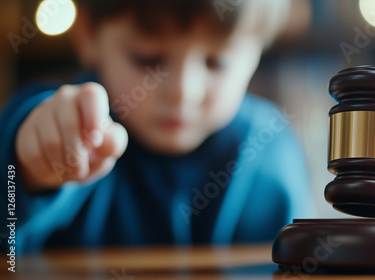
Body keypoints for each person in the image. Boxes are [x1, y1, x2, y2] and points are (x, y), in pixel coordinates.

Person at [0, 0, 314, 255]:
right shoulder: (61, 121)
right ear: (86, 34)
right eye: (148, 59)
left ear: (258, 51)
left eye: (217, 62)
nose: (182, 91)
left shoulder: (270, 146)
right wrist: (28, 170)